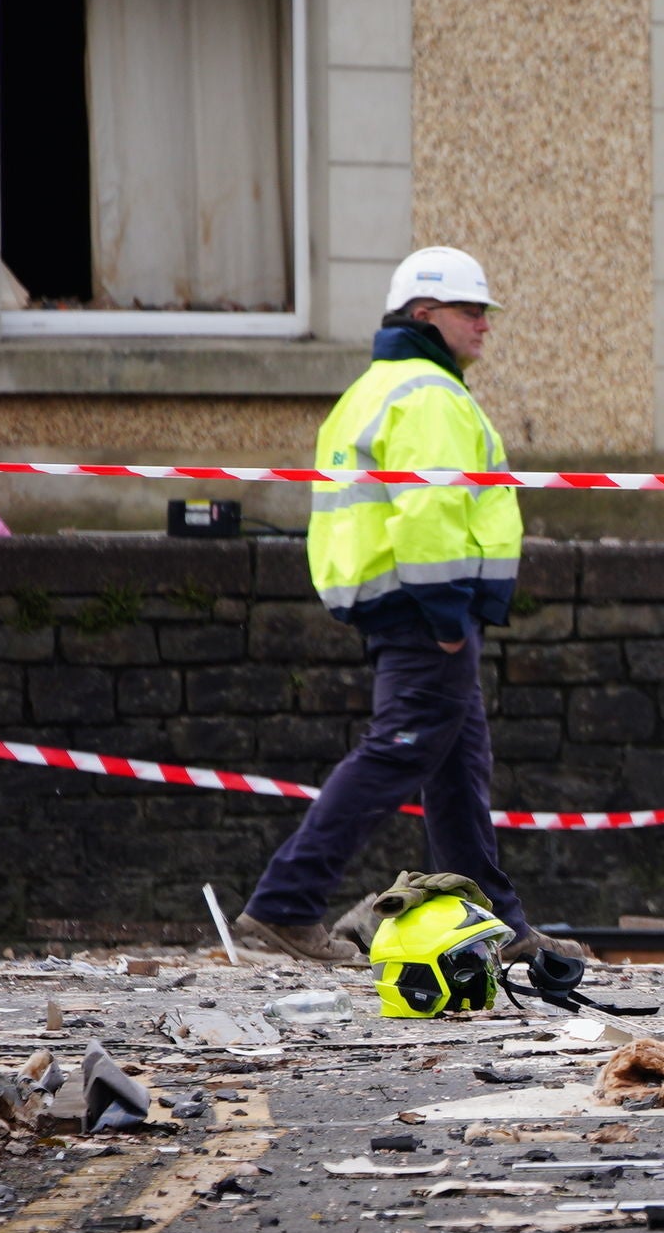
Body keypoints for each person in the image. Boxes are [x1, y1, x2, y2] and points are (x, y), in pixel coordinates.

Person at [237, 248, 567, 970]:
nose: (485, 324)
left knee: (456, 769)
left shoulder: (379, 387)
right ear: (425, 315)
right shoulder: (429, 395)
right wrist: (449, 615)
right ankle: (285, 904)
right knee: (400, 753)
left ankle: (492, 922)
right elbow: (427, 512)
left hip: (399, 601)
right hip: (425, 608)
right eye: (470, 311)